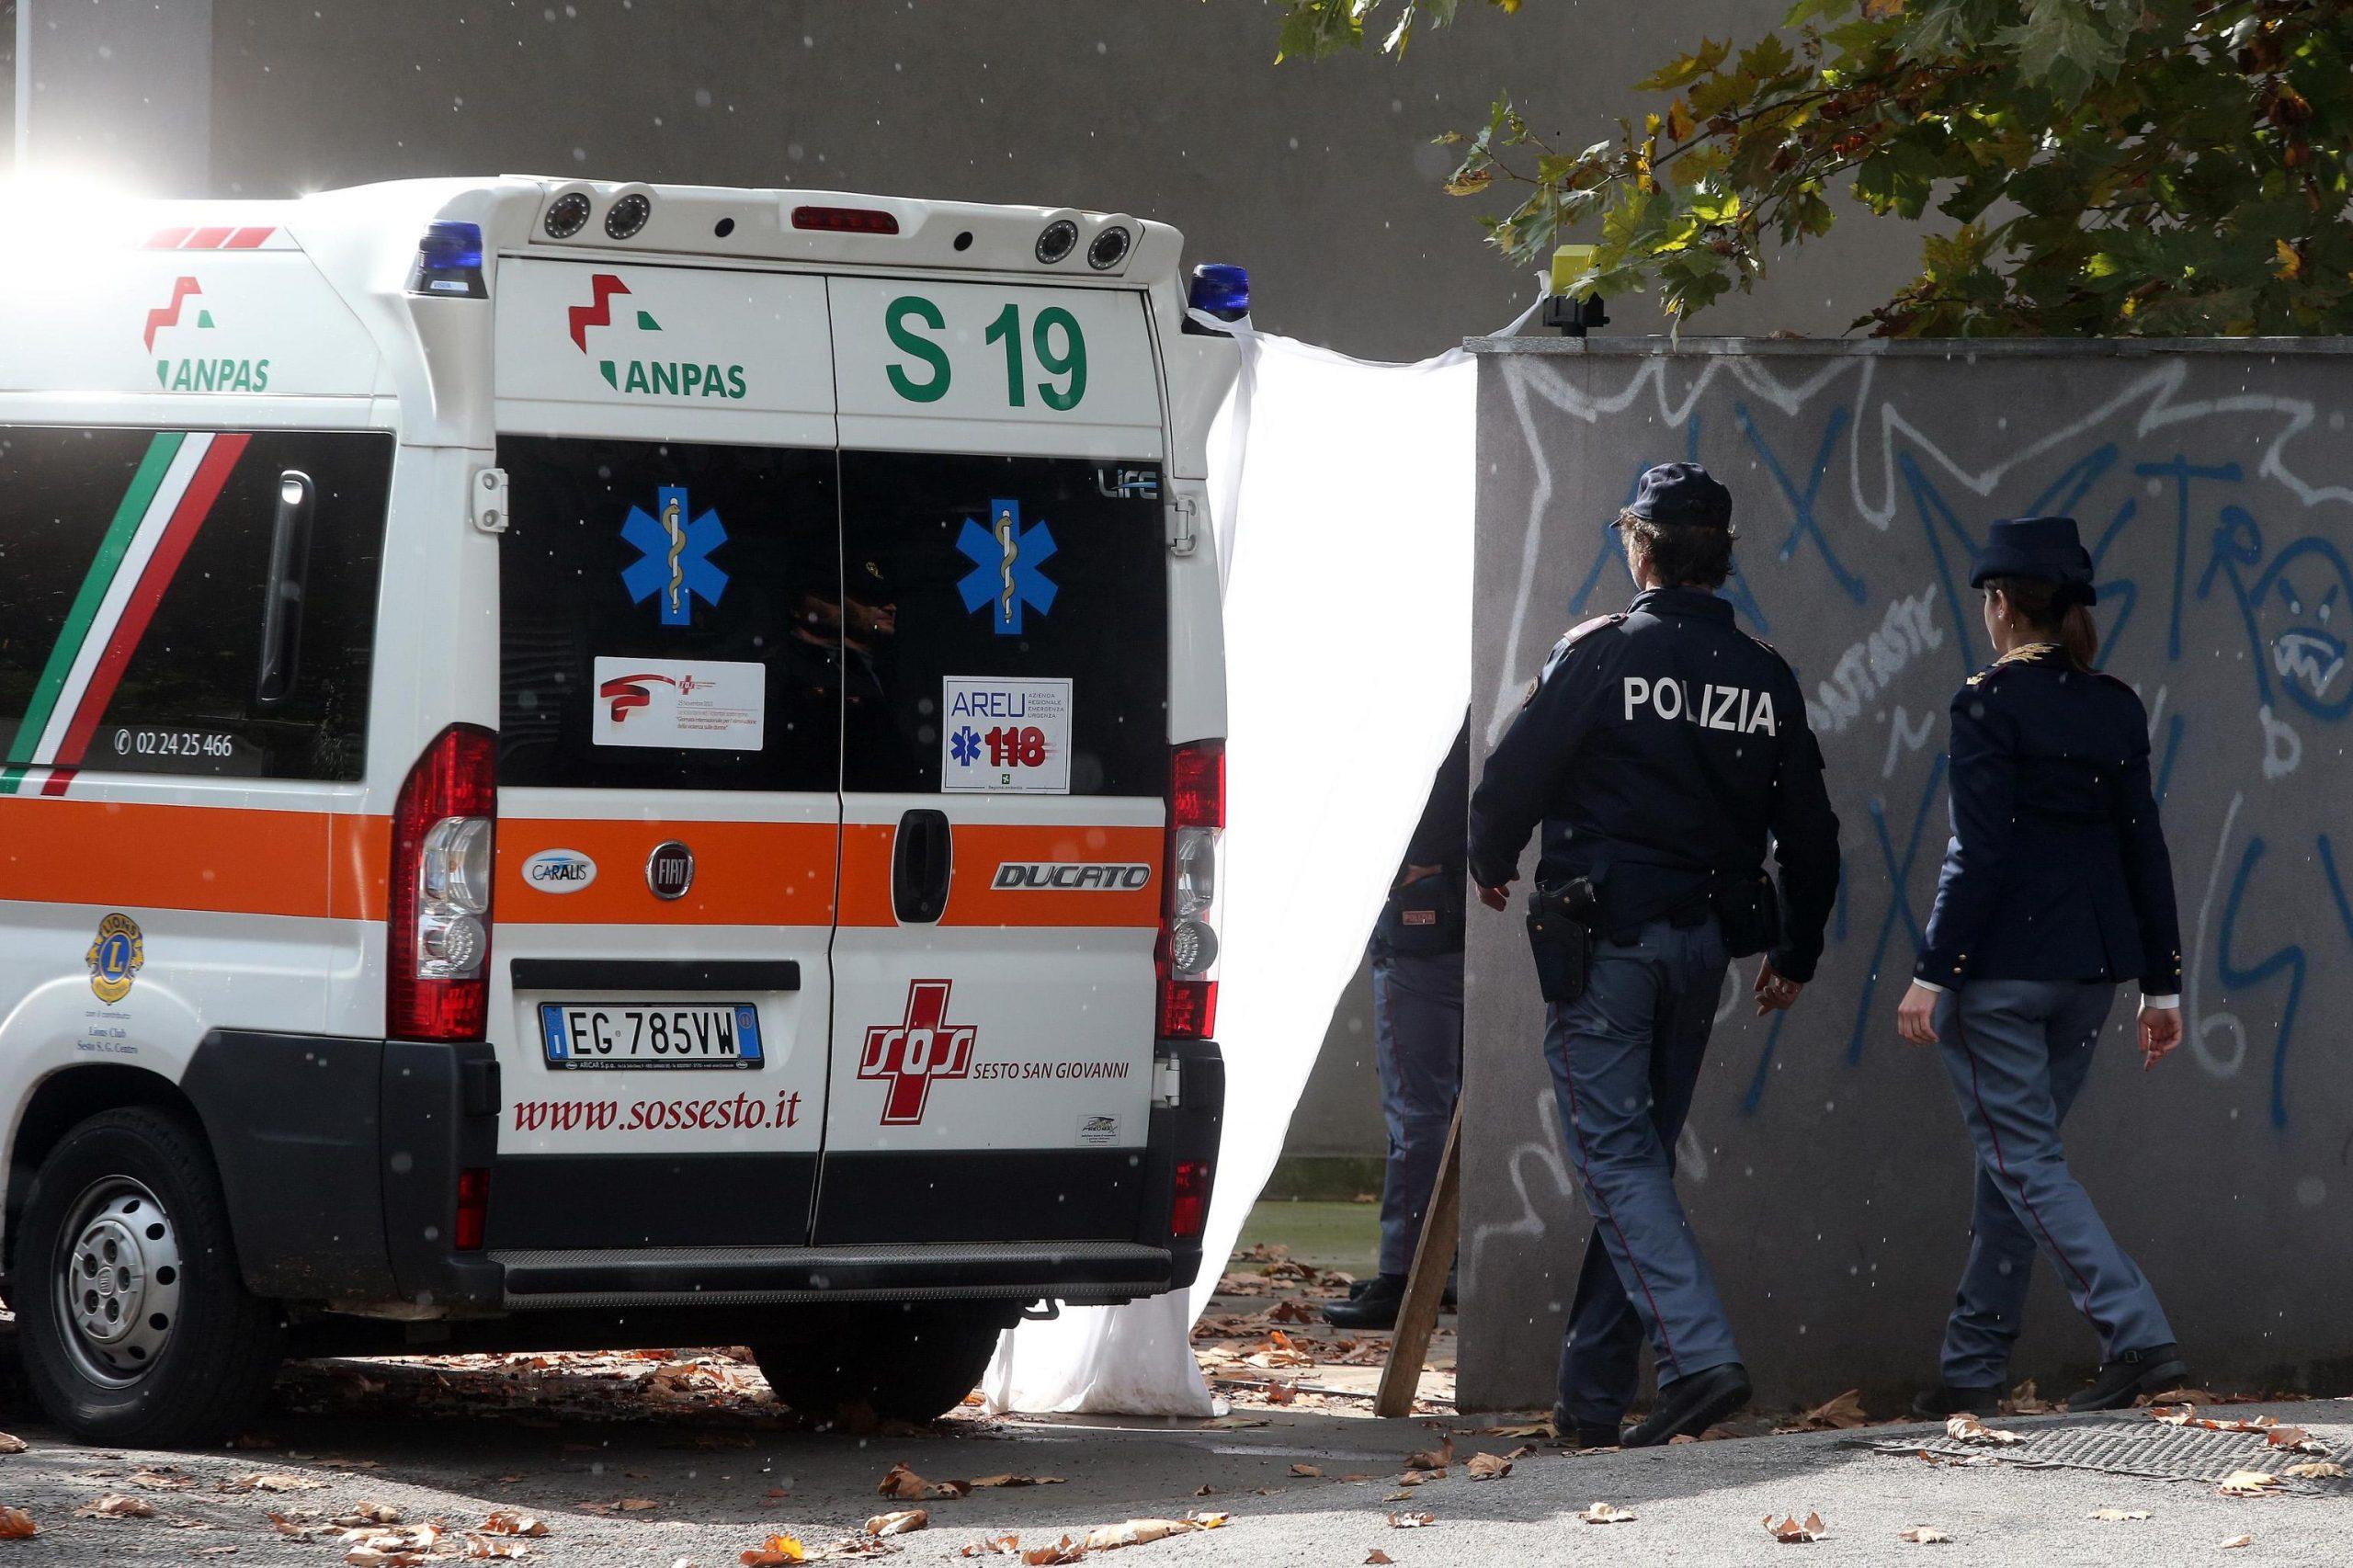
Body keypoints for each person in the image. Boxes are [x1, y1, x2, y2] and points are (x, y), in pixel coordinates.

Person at [1468, 462, 1841, 1449]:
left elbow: (1511, 772)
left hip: (1609, 944)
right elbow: (1810, 834)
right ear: (1718, 555)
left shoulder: (1599, 654)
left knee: (1615, 1158)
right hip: (1703, 953)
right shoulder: (1765, 674)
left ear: (1638, 547)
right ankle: (1591, 1401)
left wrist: (1489, 857)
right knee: (1634, 1168)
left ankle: (1699, 1359)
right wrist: (1796, 947)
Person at [1894, 515, 2188, 1416]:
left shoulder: (1986, 702)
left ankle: (2136, 1332)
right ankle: (1970, 1366)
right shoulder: (2112, 705)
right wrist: (2161, 980)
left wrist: (1932, 972)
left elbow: (1974, 852)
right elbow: (2145, 848)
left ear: (1998, 605)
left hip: (1998, 977)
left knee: (2021, 1160)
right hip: (2088, 977)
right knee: (2017, 1164)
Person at [1327, 722, 1469, 1332]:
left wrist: (1406, 865)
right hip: (1457, 926)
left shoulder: (1426, 710)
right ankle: (1439, 1268)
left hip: (1425, 934)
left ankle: (1407, 1274)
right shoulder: (1480, 697)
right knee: (1443, 1109)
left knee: (1418, 1110)